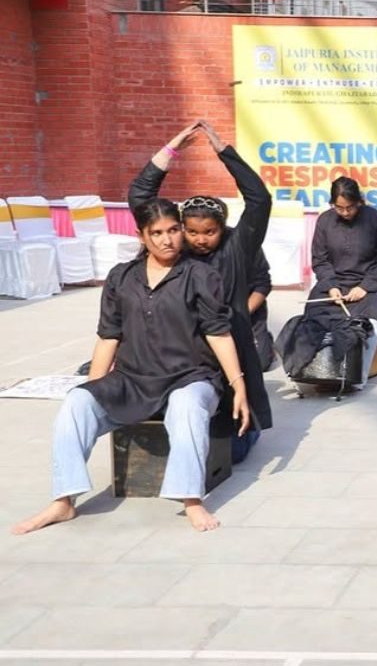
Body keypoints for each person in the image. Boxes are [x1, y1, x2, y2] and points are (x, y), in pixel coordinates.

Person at [12, 199, 251, 536]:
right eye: (157, 233)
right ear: (141, 236)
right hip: (133, 378)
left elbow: (219, 334)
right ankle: (63, 501)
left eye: (173, 230)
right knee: (77, 403)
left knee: (185, 406)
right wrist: (95, 388)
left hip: (190, 377)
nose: (167, 239)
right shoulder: (121, 277)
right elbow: (108, 337)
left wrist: (237, 385)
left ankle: (191, 500)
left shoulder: (201, 275)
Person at [127, 121, 272, 464]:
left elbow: (259, 199)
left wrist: (224, 152)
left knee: (230, 450)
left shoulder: (237, 249)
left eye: (209, 232)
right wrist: (171, 149)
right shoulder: (175, 252)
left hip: (228, 347)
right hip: (182, 350)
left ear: (224, 228)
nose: (200, 239)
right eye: (191, 231)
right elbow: (140, 198)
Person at [302, 177, 377, 388]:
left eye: (350, 208)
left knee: (369, 319)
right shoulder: (325, 221)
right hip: (334, 282)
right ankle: (315, 367)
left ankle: (358, 375)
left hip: (369, 283)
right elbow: (320, 259)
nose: (345, 213)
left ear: (359, 202)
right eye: (339, 208)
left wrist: (365, 287)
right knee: (314, 312)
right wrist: (331, 285)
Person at [248, 250, 275, 371]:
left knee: (259, 364)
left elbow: (263, 283)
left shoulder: (246, 243)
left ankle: (266, 341)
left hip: (247, 312)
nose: (201, 241)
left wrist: (244, 312)